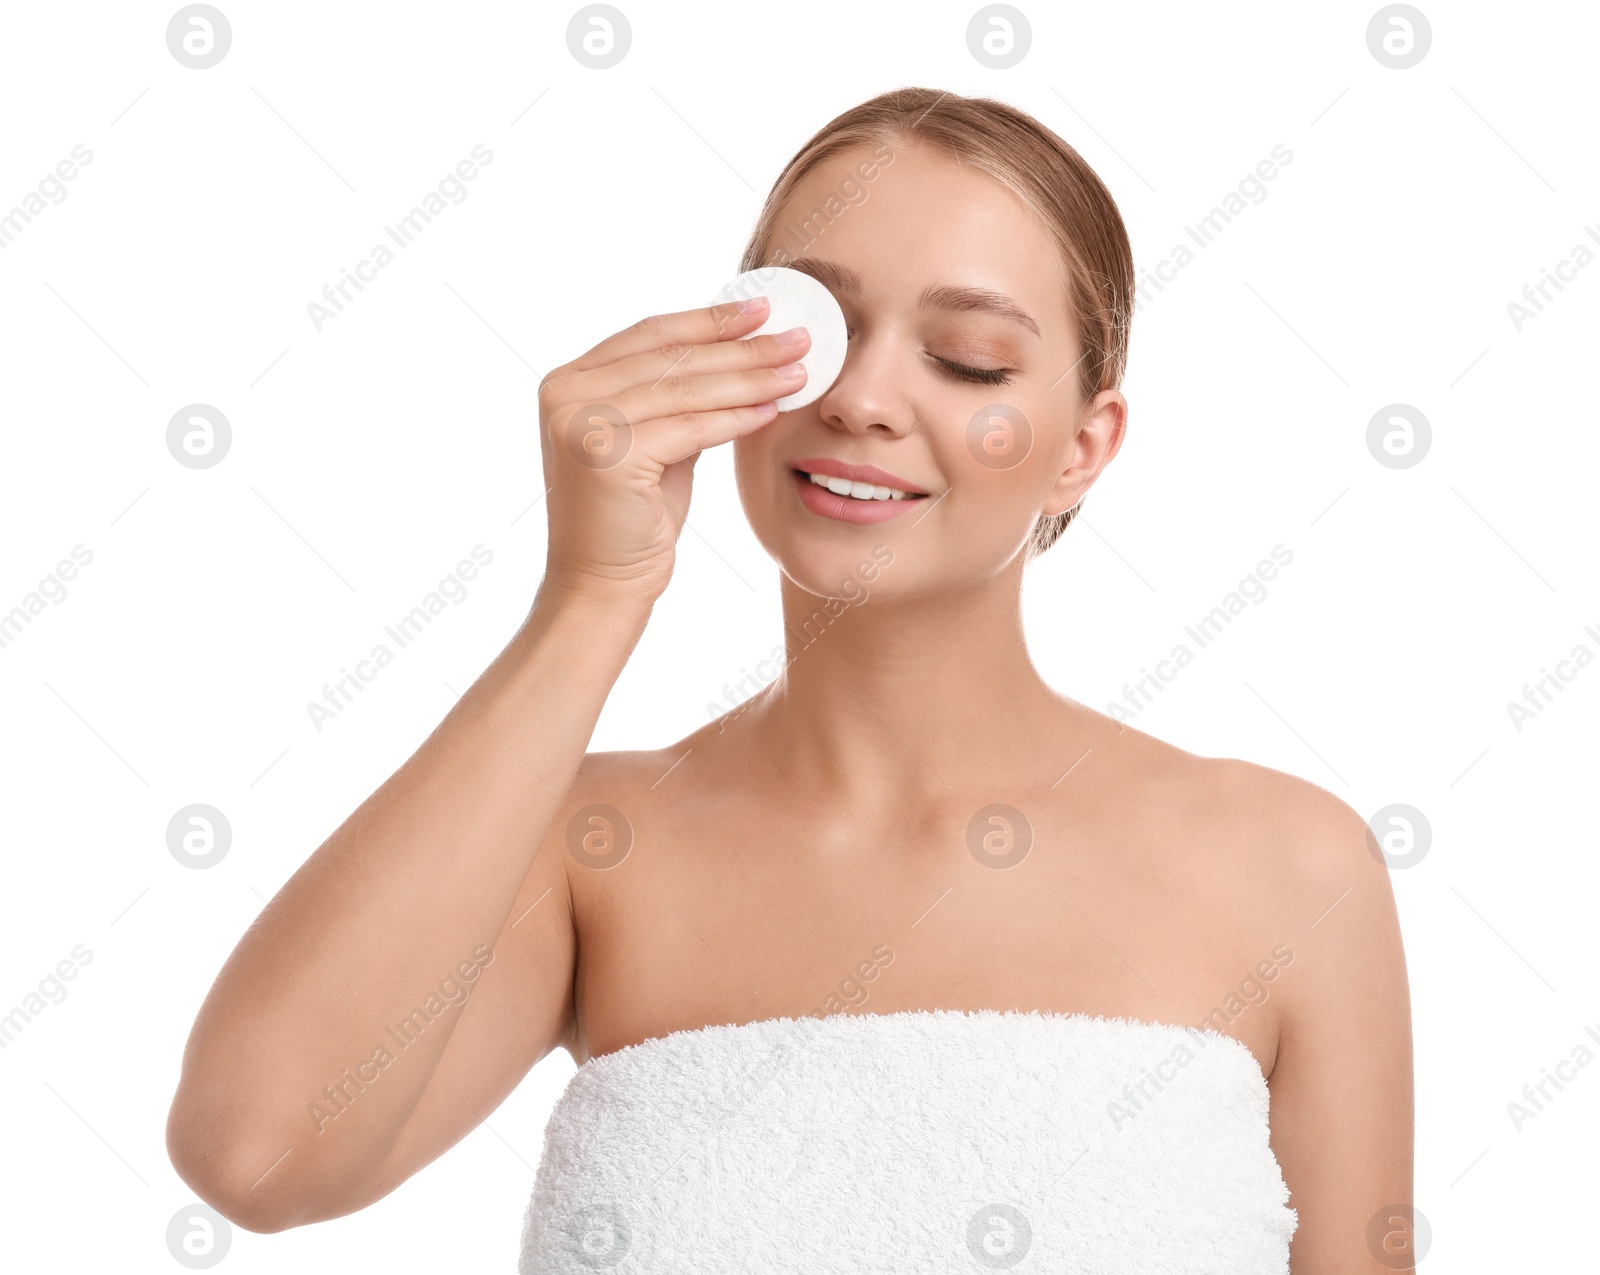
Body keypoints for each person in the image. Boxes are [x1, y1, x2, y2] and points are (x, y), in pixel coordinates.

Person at [167, 87, 1413, 1272]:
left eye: (969, 359)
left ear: (1081, 451)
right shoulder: (586, 851)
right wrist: (590, 599)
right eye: (812, 330)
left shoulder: (1286, 870)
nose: (864, 398)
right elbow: (256, 1154)